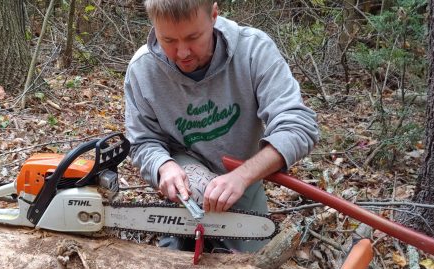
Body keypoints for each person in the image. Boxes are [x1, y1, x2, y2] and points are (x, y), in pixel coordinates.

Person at [124, 0, 319, 253]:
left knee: (253, 263)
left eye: (193, 37)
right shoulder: (143, 70)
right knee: (172, 259)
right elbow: (142, 141)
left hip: (241, 176)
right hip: (183, 180)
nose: (182, 52)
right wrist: (162, 166)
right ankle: (178, 240)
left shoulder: (253, 51)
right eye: (168, 40)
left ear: (214, 15)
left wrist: (243, 176)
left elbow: (298, 126)